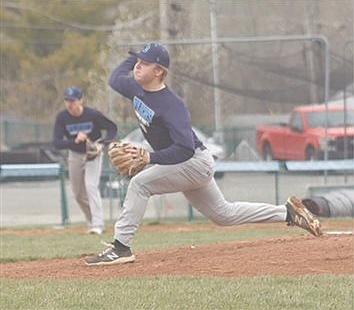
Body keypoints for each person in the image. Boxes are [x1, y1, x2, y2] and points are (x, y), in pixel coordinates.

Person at [85, 43, 322, 266]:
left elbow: (185, 148)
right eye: (138, 61)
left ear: (158, 71)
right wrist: (132, 57)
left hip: (194, 162)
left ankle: (121, 247)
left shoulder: (172, 106)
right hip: (187, 164)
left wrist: (150, 158)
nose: (138, 66)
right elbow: (115, 79)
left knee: (139, 184)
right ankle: (289, 212)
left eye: (144, 63)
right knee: (224, 215)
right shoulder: (135, 89)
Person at [53, 85, 117, 235]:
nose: (70, 104)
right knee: (77, 193)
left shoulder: (92, 115)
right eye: (67, 100)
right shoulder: (62, 117)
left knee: (91, 186)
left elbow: (112, 128)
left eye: (73, 100)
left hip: (92, 153)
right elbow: (56, 143)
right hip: (74, 154)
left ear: (81, 100)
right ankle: (91, 220)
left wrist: (102, 144)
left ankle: (98, 224)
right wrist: (74, 141)